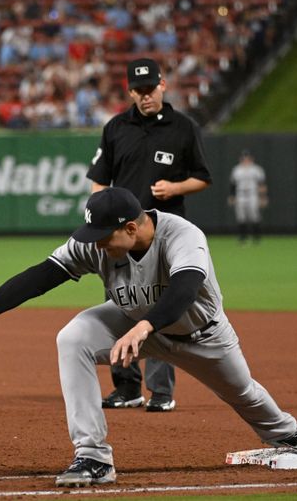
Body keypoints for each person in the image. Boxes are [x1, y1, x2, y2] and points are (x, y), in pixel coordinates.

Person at [0, 187, 297, 487]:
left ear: (132, 228)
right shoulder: (98, 245)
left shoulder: (182, 235)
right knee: (73, 339)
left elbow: (185, 288)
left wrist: (144, 326)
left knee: (243, 393)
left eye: (104, 237)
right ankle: (93, 457)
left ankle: (291, 434)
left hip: (201, 335)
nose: (96, 244)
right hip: (134, 324)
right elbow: (43, 274)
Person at [86, 58, 212, 412]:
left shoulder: (184, 127)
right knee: (120, 305)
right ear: (130, 91)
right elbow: (100, 178)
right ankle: (126, 387)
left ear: (163, 85)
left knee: (160, 307)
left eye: (151, 88)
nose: (145, 96)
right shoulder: (115, 128)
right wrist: (99, 212)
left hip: (164, 237)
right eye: (138, 90)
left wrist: (175, 187)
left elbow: (203, 177)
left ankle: (160, 391)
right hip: (121, 239)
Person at [228, 149, 267, 244]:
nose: (245, 160)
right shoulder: (236, 169)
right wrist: (232, 196)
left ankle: (256, 238)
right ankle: (243, 238)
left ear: (251, 159)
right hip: (240, 194)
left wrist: (263, 197)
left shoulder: (256, 169)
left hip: (252, 194)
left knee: (254, 215)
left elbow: (261, 184)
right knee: (241, 216)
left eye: (247, 158)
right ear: (240, 159)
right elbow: (233, 184)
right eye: (244, 158)